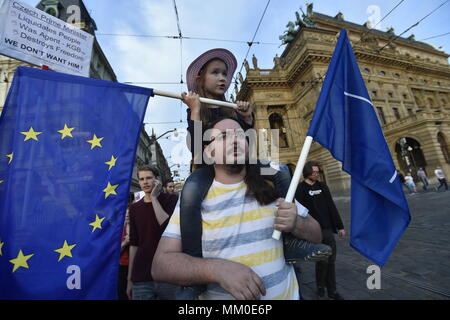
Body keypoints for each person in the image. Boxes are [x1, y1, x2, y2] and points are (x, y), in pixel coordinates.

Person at [179, 48, 330, 268]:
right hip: (208, 168)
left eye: (225, 74)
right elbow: (196, 146)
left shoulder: (231, 107)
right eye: (216, 73)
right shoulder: (196, 106)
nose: (223, 78)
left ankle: (289, 242)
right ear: (200, 79)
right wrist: (194, 110)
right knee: (190, 192)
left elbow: (246, 139)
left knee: (282, 170)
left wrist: (247, 118)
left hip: (242, 164)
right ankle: (192, 261)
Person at [152, 118, 323, 300]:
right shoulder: (193, 199)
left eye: (240, 135)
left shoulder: (271, 188)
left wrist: (296, 223)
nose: (234, 140)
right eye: (224, 136)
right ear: (208, 152)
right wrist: (216, 269)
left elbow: (317, 234)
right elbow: (160, 265)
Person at [295, 161, 346, 300]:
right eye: (314, 172)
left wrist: (340, 226)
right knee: (322, 261)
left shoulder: (322, 186)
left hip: (328, 229)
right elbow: (299, 212)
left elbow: (331, 207)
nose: (316, 174)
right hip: (314, 233)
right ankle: (320, 286)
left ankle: (332, 291)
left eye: (318, 172)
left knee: (331, 261)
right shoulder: (300, 189)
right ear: (307, 172)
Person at [126, 165, 179, 300]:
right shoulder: (134, 208)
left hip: (169, 273)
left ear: (157, 180)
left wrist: (154, 198)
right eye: (142, 179)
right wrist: (129, 278)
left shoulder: (171, 200)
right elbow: (134, 243)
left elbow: (166, 226)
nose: (145, 182)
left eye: (149, 178)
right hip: (142, 274)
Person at [117, 198, 131, 300]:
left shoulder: (137, 228)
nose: (127, 217)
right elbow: (115, 252)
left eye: (129, 215)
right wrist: (125, 242)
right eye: (125, 215)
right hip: (121, 266)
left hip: (134, 267)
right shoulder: (117, 231)